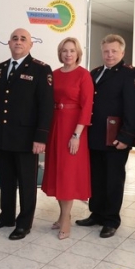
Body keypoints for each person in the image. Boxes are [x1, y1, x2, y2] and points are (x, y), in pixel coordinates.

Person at [0, 28, 54, 240]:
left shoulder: (41, 69)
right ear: (9, 43)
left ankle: (24, 223)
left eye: (23, 39)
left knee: (26, 183)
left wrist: (41, 137)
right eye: (15, 38)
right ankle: (6, 217)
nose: (18, 41)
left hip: (27, 139)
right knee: (6, 180)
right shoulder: (0, 68)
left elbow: (46, 106)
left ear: (30, 44)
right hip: (4, 135)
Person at [76, 34, 135, 238]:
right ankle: (96, 213)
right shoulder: (95, 72)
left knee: (113, 179)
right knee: (96, 177)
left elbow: (133, 107)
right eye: (106, 51)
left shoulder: (130, 73)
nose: (110, 54)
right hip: (95, 135)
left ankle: (111, 220)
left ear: (122, 52)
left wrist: (127, 136)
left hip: (116, 136)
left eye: (114, 51)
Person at [42, 38, 93, 240]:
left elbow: (87, 107)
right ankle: (63, 214)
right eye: (64, 50)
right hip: (56, 125)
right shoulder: (53, 74)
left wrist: (76, 135)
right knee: (57, 172)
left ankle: (65, 219)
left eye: (72, 50)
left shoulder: (83, 75)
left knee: (68, 175)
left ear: (78, 53)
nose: (68, 54)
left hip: (73, 128)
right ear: (60, 53)